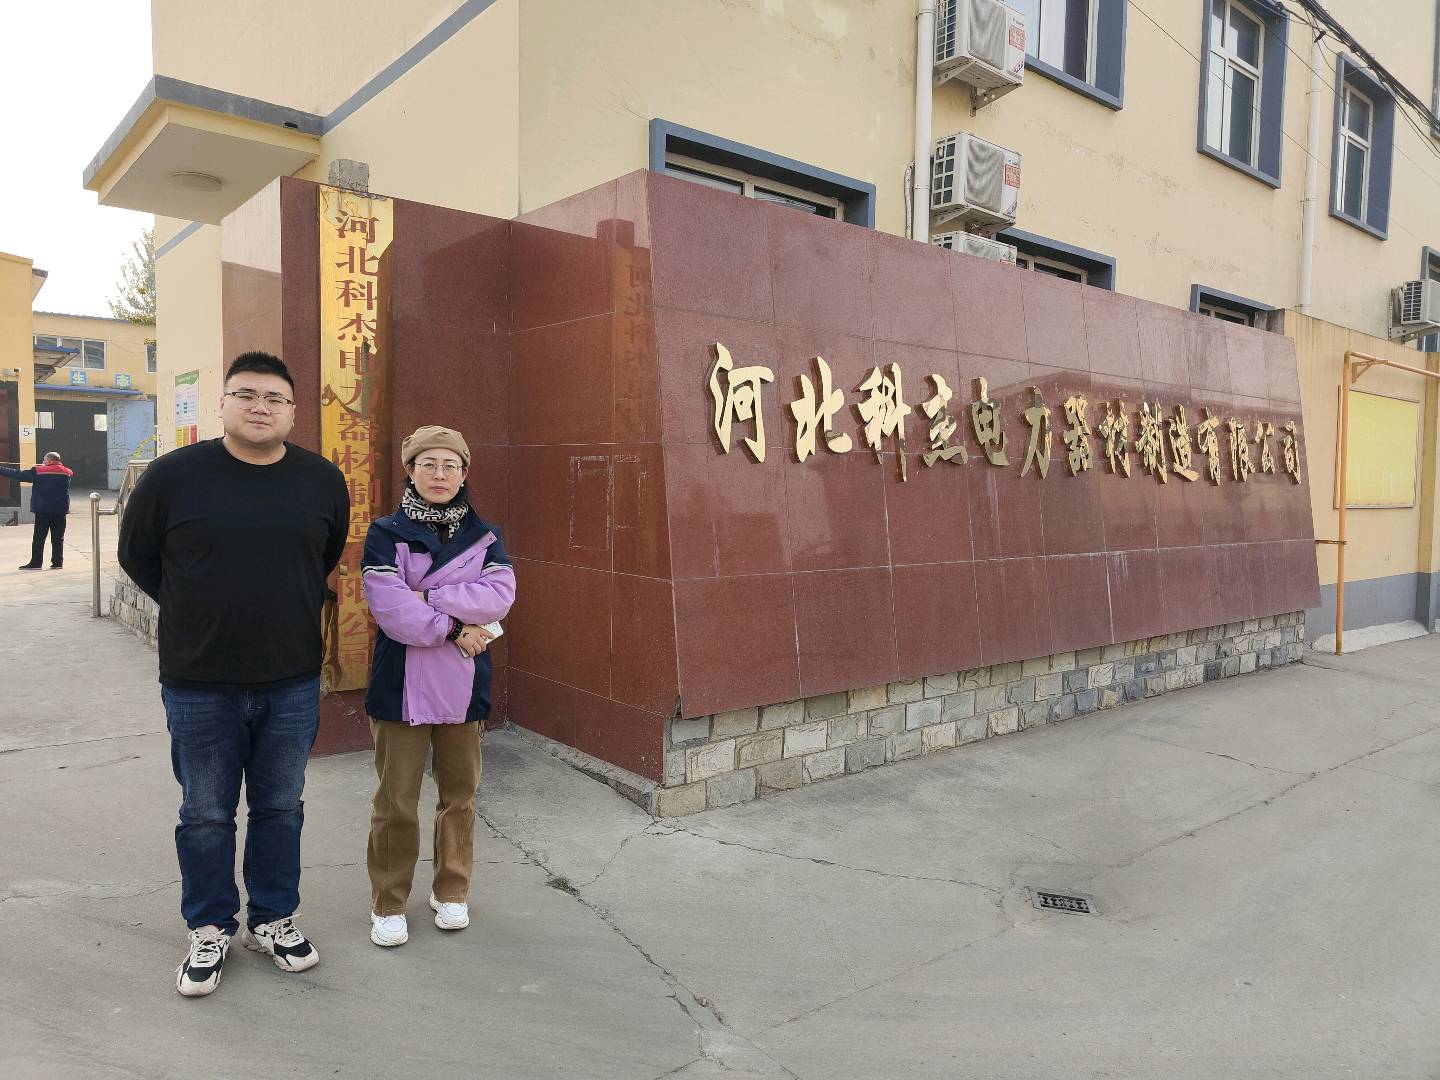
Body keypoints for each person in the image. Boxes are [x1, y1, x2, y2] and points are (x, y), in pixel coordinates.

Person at [117, 351, 349, 997]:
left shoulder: (321, 480)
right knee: (206, 812)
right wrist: (193, 609)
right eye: (246, 394)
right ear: (222, 404)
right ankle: (210, 926)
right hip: (199, 681)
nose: (259, 407)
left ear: (293, 412)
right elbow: (137, 555)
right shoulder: (173, 476)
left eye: (275, 398)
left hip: (291, 678)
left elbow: (323, 556)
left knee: (280, 807)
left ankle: (272, 918)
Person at [361, 425, 514, 948]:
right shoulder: (385, 533)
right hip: (400, 685)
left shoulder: (486, 535)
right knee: (396, 801)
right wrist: (454, 626)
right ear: (410, 471)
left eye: (450, 465)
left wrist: (425, 596)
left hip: (464, 685)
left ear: (464, 473)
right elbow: (390, 610)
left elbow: (499, 596)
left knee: (460, 797)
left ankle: (451, 890)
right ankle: (388, 902)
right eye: (428, 464)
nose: (440, 474)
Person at [1, 451, 74, 570]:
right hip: (60, 510)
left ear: (49, 460)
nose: (42, 462)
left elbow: (17, 474)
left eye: (44, 460)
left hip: (43, 510)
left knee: (39, 538)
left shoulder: (39, 471)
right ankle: (57, 563)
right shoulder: (67, 472)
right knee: (58, 538)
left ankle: (36, 563)